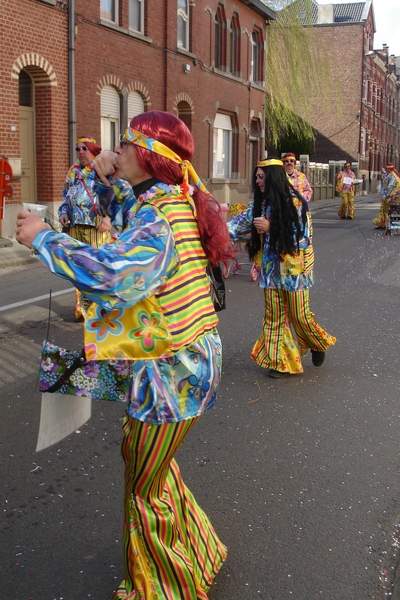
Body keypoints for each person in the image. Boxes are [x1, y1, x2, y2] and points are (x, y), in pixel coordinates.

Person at [16, 110, 234, 600]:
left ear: (146, 156)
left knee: (143, 484)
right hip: (180, 361)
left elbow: (115, 274)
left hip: (172, 374)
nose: (118, 150)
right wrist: (105, 175)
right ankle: (196, 553)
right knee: (153, 469)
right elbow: (124, 217)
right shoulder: (169, 199)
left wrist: (43, 239)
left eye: (126, 145)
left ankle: (164, 586)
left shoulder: (159, 217)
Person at [227, 158, 336, 378]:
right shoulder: (260, 205)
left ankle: (317, 343)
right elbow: (237, 226)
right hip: (270, 271)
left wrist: (272, 228)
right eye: (256, 176)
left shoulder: (296, 203)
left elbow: (302, 238)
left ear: (273, 177)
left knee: (299, 316)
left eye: (260, 176)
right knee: (274, 317)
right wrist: (207, 230)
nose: (256, 181)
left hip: (296, 271)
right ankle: (280, 362)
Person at [59, 136, 112, 321]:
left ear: (93, 150)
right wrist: (64, 212)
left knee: (97, 268)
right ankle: (82, 308)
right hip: (75, 227)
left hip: (96, 228)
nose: (80, 152)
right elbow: (66, 196)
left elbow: (117, 195)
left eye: (84, 148)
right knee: (78, 269)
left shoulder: (102, 169)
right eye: (77, 149)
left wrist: (108, 217)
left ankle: (100, 310)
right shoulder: (72, 172)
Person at [372, 163, 400, 230]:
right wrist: (383, 171)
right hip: (391, 196)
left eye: (387, 169)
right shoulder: (390, 174)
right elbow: (386, 177)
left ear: (390, 169)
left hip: (390, 197)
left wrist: (385, 196)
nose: (386, 170)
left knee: (386, 210)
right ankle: (382, 224)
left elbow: (389, 187)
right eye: (386, 168)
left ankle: (388, 224)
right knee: (384, 210)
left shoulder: (392, 177)